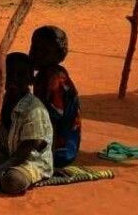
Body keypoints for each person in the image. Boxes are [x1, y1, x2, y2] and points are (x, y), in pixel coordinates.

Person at [0, 52, 53, 195]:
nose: (13, 79)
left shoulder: (34, 110)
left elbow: (24, 152)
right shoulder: (0, 102)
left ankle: (0, 177)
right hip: (8, 154)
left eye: (21, 75)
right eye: (9, 73)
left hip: (31, 161)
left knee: (13, 180)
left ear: (31, 80)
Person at [29, 26, 81, 168]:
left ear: (59, 55)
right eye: (34, 48)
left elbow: (52, 122)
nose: (37, 55)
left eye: (44, 52)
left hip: (60, 151)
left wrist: (48, 160)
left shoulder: (55, 80)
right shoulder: (43, 75)